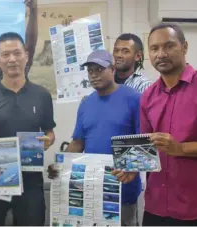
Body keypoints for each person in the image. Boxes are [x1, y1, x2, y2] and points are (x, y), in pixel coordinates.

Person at [0, 32, 56, 226]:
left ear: (26, 55)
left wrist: (49, 140)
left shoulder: (42, 95)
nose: (12, 59)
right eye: (5, 55)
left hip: (31, 182)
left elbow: (50, 132)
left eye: (17, 53)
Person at [48, 50, 142, 226]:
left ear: (112, 69)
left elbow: (143, 140)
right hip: (91, 191)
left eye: (99, 69)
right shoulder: (86, 104)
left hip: (123, 192)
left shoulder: (134, 99)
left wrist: (131, 168)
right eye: (90, 71)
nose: (94, 75)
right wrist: (59, 165)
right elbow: (78, 142)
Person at [138, 23, 197, 226]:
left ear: (185, 47)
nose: (161, 54)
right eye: (154, 48)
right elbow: (146, 148)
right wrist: (132, 168)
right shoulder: (148, 96)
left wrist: (181, 148)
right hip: (155, 206)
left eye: (169, 46)